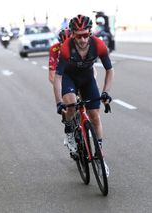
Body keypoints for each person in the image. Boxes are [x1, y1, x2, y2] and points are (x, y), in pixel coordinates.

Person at [53, 15, 114, 173]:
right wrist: (59, 101)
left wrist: (106, 92)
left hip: (87, 79)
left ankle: (99, 157)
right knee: (71, 105)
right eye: (78, 35)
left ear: (90, 32)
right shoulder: (66, 47)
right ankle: (70, 132)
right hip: (69, 78)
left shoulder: (98, 44)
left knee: (94, 115)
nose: (82, 39)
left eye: (85, 35)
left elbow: (109, 70)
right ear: (72, 34)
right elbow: (57, 77)